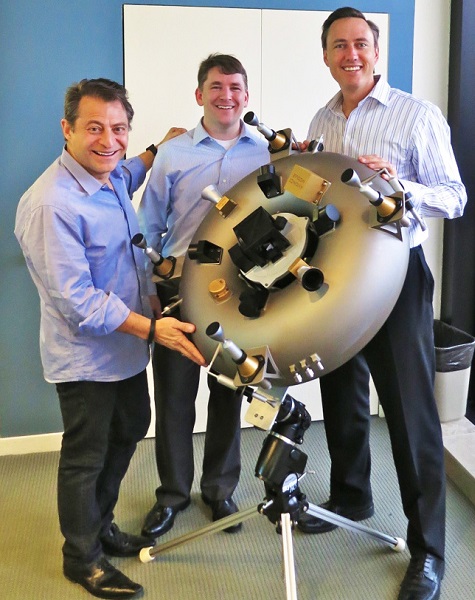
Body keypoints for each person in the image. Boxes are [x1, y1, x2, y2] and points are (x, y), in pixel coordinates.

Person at [296, 8, 467, 600]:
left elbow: (454, 197)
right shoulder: (321, 118)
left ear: (376, 50)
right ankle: (351, 494)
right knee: (339, 392)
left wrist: (400, 183)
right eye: (338, 45)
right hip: (336, 278)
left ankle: (428, 551)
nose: (351, 54)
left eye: (361, 44)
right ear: (325, 55)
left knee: (409, 412)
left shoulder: (417, 114)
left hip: (396, 275)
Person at [14, 78, 206, 600]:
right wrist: (152, 328)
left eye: (118, 128)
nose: (107, 139)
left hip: (123, 350)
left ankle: (98, 528)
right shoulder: (52, 205)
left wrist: (154, 149)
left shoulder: (111, 177)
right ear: (67, 129)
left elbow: (128, 167)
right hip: (85, 357)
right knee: (86, 455)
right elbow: (77, 300)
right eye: (94, 127)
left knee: (129, 428)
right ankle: (82, 559)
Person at [138, 54, 270, 539]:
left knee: (227, 395)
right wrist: (149, 288)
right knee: (173, 399)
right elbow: (149, 226)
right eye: (216, 87)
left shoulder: (265, 153)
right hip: (177, 290)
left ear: (246, 96)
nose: (226, 96)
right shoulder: (173, 154)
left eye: (236, 87)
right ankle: (172, 494)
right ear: (199, 95)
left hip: (239, 292)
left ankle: (219, 490)